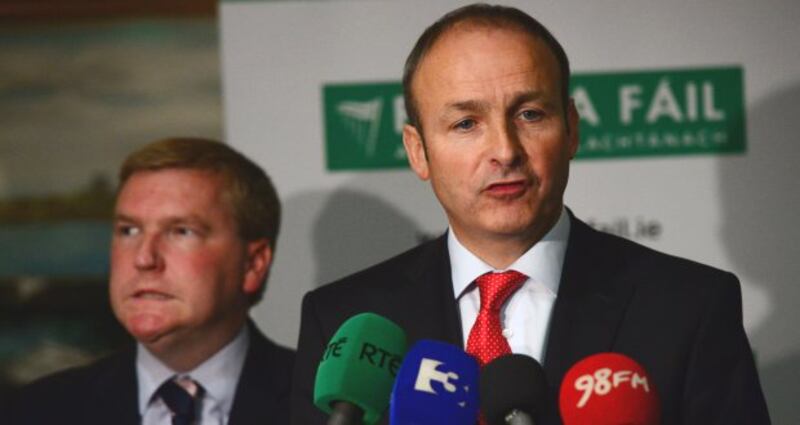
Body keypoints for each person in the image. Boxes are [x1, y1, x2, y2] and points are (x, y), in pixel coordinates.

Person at [291, 4, 769, 424]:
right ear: (418, 152)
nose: (504, 150)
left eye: (530, 114)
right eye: (465, 123)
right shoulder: (340, 320)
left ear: (572, 129)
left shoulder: (689, 308)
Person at [8, 138, 293, 425]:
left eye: (181, 231)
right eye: (129, 230)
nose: (144, 258)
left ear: (253, 264)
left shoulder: (324, 407)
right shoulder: (34, 412)